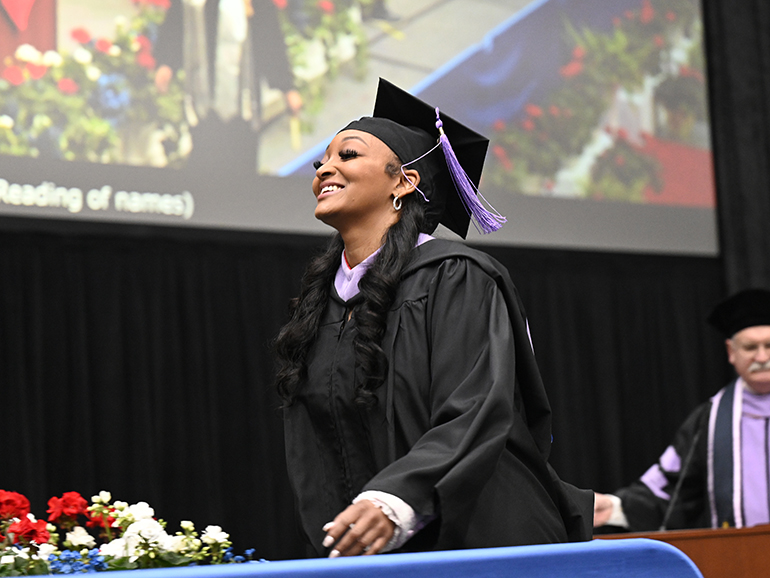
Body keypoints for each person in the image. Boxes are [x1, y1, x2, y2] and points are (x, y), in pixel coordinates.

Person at [273, 78, 593, 558]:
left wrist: (394, 500)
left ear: (404, 181)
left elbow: (476, 406)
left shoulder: (456, 277)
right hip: (383, 555)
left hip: (486, 543)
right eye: (322, 160)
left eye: (348, 155)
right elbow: (318, 448)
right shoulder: (322, 304)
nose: (325, 168)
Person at [594, 288, 770, 532]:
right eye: (751, 347)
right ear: (731, 352)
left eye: (769, 345)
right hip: (741, 561)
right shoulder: (710, 420)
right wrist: (616, 507)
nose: (762, 357)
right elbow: (670, 488)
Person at [152, 0, 302, 173]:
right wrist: (167, 63)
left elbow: (268, 33)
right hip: (203, 102)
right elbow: (177, 23)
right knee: (204, 163)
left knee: (241, 166)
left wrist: (287, 87)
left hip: (243, 103)